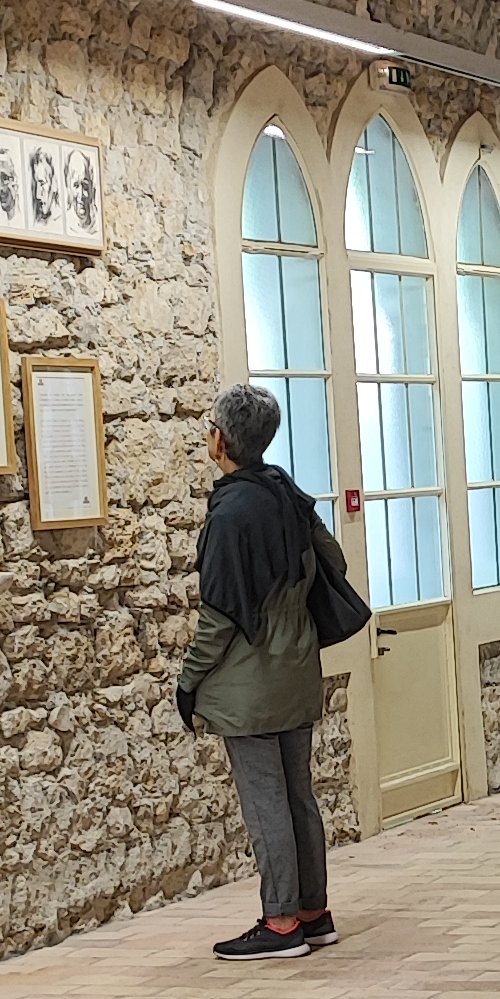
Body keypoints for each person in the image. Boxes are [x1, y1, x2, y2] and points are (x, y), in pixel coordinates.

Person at [176, 381, 360, 960]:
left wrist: (188, 681)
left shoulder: (230, 513)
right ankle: (313, 912)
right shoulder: (287, 493)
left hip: (248, 686)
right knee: (299, 795)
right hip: (298, 669)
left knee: (265, 803)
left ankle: (280, 923)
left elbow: (219, 616)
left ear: (222, 440)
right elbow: (334, 560)